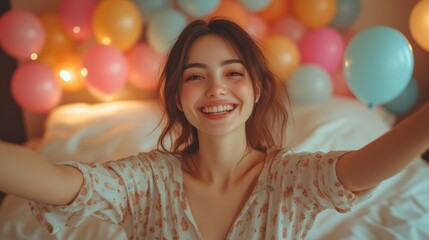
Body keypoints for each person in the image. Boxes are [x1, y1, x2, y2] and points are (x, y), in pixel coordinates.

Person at [0, 18, 428, 240]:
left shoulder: (290, 179)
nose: (216, 89)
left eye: (233, 73)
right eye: (195, 76)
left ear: (258, 88)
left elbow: (361, 170)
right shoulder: (146, 182)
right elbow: (60, 183)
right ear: (179, 98)